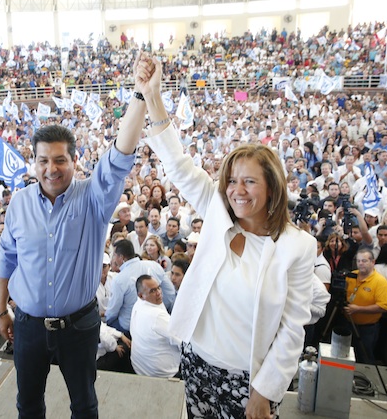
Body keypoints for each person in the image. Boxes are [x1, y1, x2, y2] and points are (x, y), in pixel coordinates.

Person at [142, 56, 315, 418]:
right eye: (233, 180)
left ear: (272, 188)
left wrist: (263, 392)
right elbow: (178, 163)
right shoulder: (219, 211)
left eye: (250, 181)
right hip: (197, 364)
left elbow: (291, 330)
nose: (238, 191)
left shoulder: (297, 247)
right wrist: (153, 95)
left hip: (247, 381)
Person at [0, 54, 149, 419]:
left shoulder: (93, 198)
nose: (52, 169)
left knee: (84, 406)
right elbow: (7, 258)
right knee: (28, 405)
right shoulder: (18, 204)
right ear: (34, 163)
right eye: (43, 160)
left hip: (79, 327)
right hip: (29, 326)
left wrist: (140, 96)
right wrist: (1, 309)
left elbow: (119, 156)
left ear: (74, 162)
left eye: (60, 160)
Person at [105, 239, 175, 334]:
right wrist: (161, 310)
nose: (113, 258)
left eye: (114, 255)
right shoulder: (154, 266)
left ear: (121, 257)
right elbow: (170, 293)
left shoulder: (119, 280)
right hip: (156, 322)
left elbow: (112, 311)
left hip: (129, 327)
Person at [343, 249, 387, 364]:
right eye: (358, 261)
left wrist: (358, 309)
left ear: (373, 262)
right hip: (347, 323)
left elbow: (383, 306)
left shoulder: (380, 282)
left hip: (367, 329)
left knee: (364, 356)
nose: (360, 264)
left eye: (364, 261)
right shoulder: (351, 276)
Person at [129, 275, 181, 378]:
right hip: (161, 373)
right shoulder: (157, 316)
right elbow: (183, 342)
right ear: (141, 295)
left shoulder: (138, 304)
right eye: (152, 291)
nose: (159, 293)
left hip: (140, 366)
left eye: (158, 288)